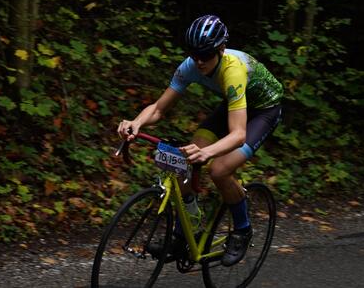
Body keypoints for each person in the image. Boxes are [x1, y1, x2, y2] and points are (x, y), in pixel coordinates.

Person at [117, 14, 283, 267]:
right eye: (194, 54)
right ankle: (186, 233)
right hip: (234, 104)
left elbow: (238, 135)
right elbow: (159, 109)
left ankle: (242, 229)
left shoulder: (233, 71)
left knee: (219, 169)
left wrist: (208, 153)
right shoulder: (190, 66)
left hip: (264, 111)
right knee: (183, 160)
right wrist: (136, 122)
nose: (199, 61)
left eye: (205, 55)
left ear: (221, 49)